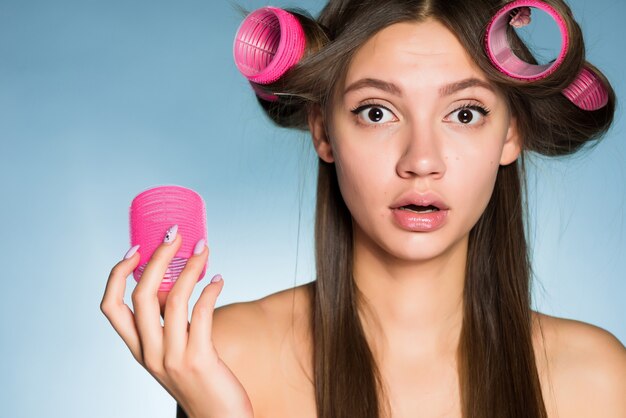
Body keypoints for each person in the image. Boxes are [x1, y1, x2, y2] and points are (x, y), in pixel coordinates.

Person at [101, 0, 626, 417]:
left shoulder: (599, 380)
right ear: (324, 130)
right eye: (377, 112)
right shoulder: (228, 357)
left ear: (511, 133)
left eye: (464, 113)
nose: (422, 160)